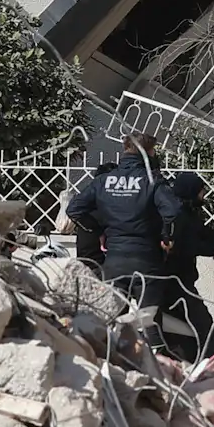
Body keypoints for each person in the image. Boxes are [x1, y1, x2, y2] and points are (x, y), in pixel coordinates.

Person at [67, 135, 190, 336]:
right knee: (149, 322)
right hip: (146, 261)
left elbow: (74, 210)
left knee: (110, 324)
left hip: (114, 262)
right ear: (148, 153)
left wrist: (98, 230)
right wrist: (168, 238)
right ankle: (154, 354)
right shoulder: (153, 181)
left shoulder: (103, 181)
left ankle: (111, 354)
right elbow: (174, 212)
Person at [160, 164, 214, 358]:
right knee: (206, 329)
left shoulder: (188, 213)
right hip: (176, 283)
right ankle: (210, 367)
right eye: (201, 192)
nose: (204, 196)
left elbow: (204, 234)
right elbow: (187, 246)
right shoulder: (179, 216)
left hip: (180, 281)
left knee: (186, 332)